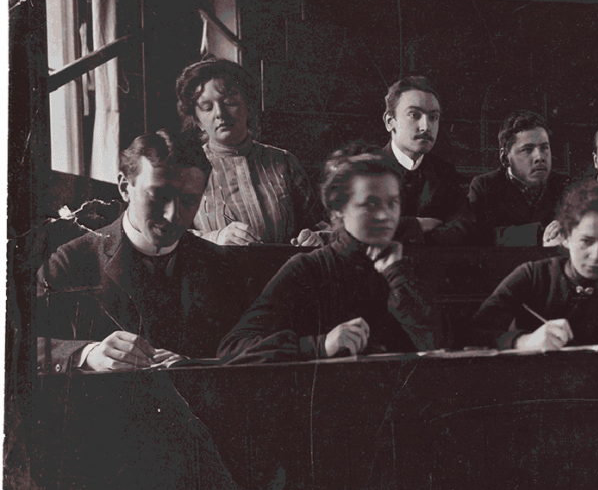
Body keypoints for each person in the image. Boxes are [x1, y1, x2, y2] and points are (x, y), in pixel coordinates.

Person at [36, 130, 242, 373]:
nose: (172, 215)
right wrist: (88, 354)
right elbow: (16, 340)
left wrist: (192, 364)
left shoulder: (221, 266)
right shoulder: (72, 260)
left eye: (188, 201)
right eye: (159, 196)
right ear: (125, 187)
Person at [217, 153, 442, 363]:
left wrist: (397, 276)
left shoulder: (404, 267)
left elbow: (441, 347)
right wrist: (321, 345)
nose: (385, 215)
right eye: (371, 204)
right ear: (337, 211)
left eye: (392, 203)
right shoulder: (307, 269)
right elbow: (233, 348)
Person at [469, 178, 598, 350]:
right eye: (586, 241)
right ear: (566, 238)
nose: (597, 256)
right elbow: (475, 333)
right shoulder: (534, 275)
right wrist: (524, 342)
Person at [175, 57, 327, 246]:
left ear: (249, 106)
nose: (220, 113)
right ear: (198, 121)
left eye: (230, 102)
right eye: (207, 107)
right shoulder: (188, 169)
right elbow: (172, 235)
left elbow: (321, 225)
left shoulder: (285, 162)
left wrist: (315, 236)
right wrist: (215, 237)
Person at [378, 75, 472, 245]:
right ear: (390, 122)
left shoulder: (445, 173)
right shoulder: (367, 169)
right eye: (414, 115)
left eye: (433, 117)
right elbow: (361, 229)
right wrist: (417, 225)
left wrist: (405, 233)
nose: (426, 126)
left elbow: (463, 228)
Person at [467, 110, 570, 246]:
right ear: (505, 158)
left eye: (544, 147)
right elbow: (480, 235)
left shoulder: (567, 186)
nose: (539, 157)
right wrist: (540, 235)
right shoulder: (485, 186)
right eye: (527, 149)